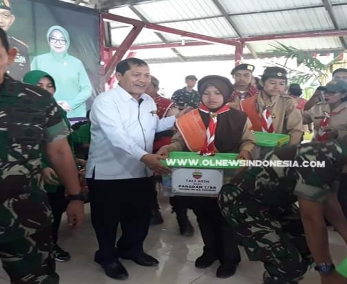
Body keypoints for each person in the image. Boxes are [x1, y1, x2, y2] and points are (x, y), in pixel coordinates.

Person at [0, 18, 85, 283]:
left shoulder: (36, 100)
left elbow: (59, 150)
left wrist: (75, 197)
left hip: (25, 218)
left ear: (10, 56)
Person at [218, 123, 347, 284]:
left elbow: (330, 200)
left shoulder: (335, 154)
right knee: (288, 265)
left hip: (274, 202)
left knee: (306, 249)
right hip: (242, 201)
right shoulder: (321, 159)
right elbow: (311, 219)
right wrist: (327, 272)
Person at [85, 58, 191, 280]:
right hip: (108, 173)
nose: (142, 80)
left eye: (146, 75)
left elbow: (152, 128)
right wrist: (146, 157)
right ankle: (107, 256)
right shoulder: (106, 101)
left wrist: (176, 119)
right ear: (120, 76)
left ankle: (131, 249)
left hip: (140, 171)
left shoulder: (148, 102)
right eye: (136, 74)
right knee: (107, 219)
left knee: (140, 216)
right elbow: (117, 137)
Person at [157, 75, 256, 279]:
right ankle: (210, 251)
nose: (211, 97)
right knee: (203, 215)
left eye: (217, 93)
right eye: (206, 93)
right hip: (199, 178)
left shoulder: (239, 118)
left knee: (225, 218)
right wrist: (169, 146)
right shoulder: (189, 118)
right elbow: (180, 142)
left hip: (228, 177)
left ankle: (230, 258)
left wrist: (246, 151)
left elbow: (248, 141)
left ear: (226, 94)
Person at [22, 70, 85, 262]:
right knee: (33, 215)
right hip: (30, 176)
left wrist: (76, 162)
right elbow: (18, 146)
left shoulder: (57, 112)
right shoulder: (17, 112)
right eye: (39, 86)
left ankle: (51, 245)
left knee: (56, 210)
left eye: (49, 86)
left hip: (58, 172)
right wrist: (40, 164)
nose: (45, 90)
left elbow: (64, 144)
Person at [302, 80, 347, 223]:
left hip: (342, 154)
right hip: (320, 153)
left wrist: (338, 133)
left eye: (332, 92)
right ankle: (325, 215)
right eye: (326, 92)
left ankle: (344, 217)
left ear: (343, 94)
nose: (327, 95)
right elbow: (302, 118)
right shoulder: (318, 108)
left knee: (342, 186)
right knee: (322, 186)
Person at [146, 75, 195, 236]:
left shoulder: (167, 104)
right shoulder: (134, 103)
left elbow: (177, 127)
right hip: (141, 146)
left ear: (156, 88)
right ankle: (153, 211)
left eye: (149, 85)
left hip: (165, 143)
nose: (145, 88)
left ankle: (182, 217)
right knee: (145, 180)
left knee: (174, 180)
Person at [31, 25, 93, 119]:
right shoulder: (38, 60)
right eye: (54, 39)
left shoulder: (76, 63)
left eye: (62, 39)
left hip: (74, 114)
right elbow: (31, 88)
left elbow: (87, 89)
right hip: (46, 114)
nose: (58, 43)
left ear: (67, 41)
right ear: (48, 40)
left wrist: (71, 104)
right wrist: (51, 104)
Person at [240, 67, 304, 144]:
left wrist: (289, 151)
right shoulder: (246, 103)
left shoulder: (288, 103)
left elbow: (296, 130)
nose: (276, 87)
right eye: (272, 83)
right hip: (252, 147)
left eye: (281, 84)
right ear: (262, 83)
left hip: (279, 149)